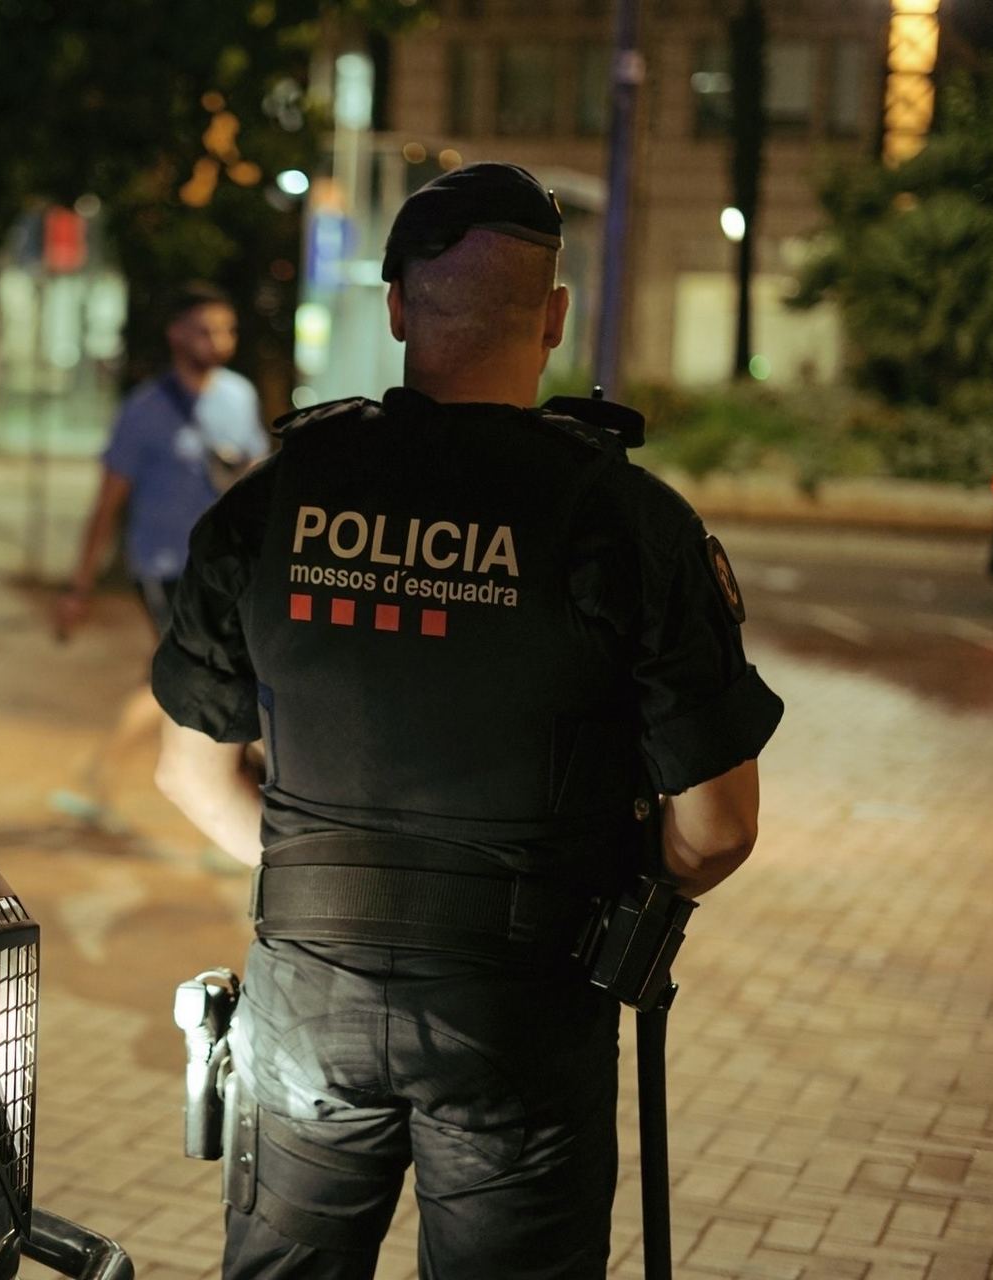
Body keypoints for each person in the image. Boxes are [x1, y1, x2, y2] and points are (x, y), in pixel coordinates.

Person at [149, 162, 784, 1278]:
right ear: (554, 318)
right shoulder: (625, 521)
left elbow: (190, 772)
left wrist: (337, 884)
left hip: (308, 997)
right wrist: (592, 906)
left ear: (397, 308)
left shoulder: (275, 500)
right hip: (520, 1010)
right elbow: (718, 827)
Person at [51, 283, 270, 829]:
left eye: (226, 329)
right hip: (167, 568)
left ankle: (95, 780)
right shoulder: (144, 410)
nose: (218, 340)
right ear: (176, 334)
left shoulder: (239, 396)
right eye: (204, 329)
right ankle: (227, 805)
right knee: (196, 678)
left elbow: (256, 479)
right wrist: (80, 586)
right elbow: (106, 503)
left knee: (166, 678)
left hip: (227, 571)